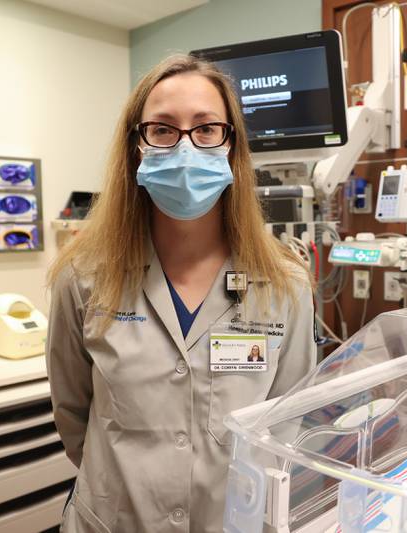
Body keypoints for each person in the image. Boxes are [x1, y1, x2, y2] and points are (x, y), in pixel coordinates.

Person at [45, 54, 317, 533]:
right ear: (137, 146)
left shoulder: (284, 284)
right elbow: (73, 414)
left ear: (232, 145)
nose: (186, 147)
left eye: (207, 128)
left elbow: (286, 422)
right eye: (164, 129)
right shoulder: (83, 276)